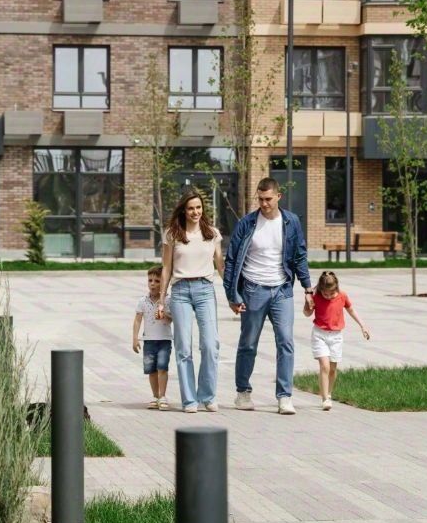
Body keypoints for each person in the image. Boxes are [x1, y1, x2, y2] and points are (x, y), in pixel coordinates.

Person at [223, 177, 312, 415]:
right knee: (248, 343)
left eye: (268, 199)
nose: (264, 204)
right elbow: (231, 260)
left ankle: (284, 396)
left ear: (278, 196)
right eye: (260, 199)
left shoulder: (291, 221)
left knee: (286, 342)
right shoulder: (247, 223)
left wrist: (307, 288)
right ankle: (243, 392)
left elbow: (300, 256)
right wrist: (232, 295)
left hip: (282, 290)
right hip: (253, 290)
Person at [159, 188, 224, 413]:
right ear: (183, 211)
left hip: (205, 290)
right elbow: (166, 267)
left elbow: (220, 265)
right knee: (183, 347)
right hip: (180, 292)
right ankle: (189, 400)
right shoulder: (172, 234)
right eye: (190, 208)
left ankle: (207, 395)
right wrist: (161, 299)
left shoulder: (212, 234)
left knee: (210, 345)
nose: (195, 212)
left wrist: (234, 294)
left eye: (198, 207)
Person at [303, 270, 370, 411]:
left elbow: (351, 310)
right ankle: (325, 399)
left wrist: (363, 325)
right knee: (325, 366)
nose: (328, 296)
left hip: (336, 336)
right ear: (320, 289)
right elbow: (307, 313)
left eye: (331, 293)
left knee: (332, 369)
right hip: (319, 334)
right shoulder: (316, 296)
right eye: (325, 293)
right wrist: (307, 301)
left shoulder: (342, 296)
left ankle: (328, 393)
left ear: (336, 288)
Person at [132, 265, 173, 410]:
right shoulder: (142, 301)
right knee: (151, 370)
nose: (153, 284)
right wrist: (135, 338)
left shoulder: (168, 300)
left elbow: (172, 319)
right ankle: (155, 396)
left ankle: (163, 396)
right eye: (150, 280)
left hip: (164, 340)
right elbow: (138, 319)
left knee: (162, 368)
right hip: (148, 341)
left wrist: (164, 315)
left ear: (164, 282)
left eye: (157, 281)